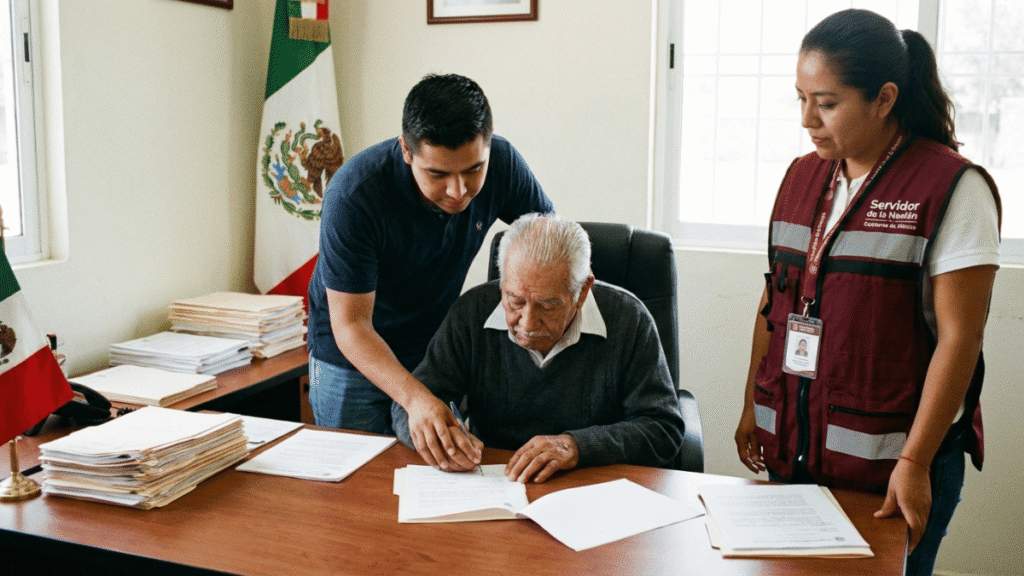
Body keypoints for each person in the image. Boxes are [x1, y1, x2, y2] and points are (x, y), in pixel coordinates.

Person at [733, 9, 1000, 576]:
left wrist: (914, 460)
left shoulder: (950, 186)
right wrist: (751, 408)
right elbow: (775, 302)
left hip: (889, 470)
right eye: (800, 98)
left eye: (826, 103)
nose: (807, 118)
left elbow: (961, 337)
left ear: (883, 98)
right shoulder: (801, 177)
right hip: (795, 450)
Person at [307, 74, 554, 459]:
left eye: (473, 170)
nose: (458, 191)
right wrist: (415, 399)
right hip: (354, 355)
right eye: (437, 174)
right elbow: (352, 325)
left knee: (439, 470)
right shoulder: (354, 195)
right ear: (406, 150)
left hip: (431, 348)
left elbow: (549, 243)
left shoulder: (503, 162)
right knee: (356, 491)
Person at [392, 213, 685, 483]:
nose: (528, 323)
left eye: (548, 305)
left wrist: (577, 446)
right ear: (503, 281)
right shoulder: (472, 312)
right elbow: (410, 405)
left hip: (591, 487)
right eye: (515, 300)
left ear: (582, 291)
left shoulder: (629, 320)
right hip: (495, 484)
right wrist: (439, 435)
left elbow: (663, 429)